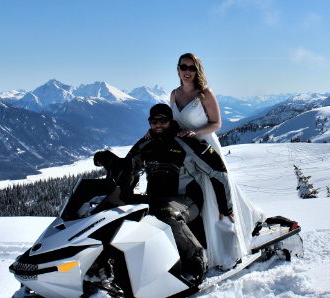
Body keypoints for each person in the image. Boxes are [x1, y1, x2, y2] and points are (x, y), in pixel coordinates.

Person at [96, 104, 235, 281]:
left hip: (187, 200)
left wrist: (226, 206)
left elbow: (218, 172)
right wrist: (108, 160)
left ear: (171, 121)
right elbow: (129, 165)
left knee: (167, 213)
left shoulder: (188, 141)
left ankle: (196, 259)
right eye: (154, 121)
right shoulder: (146, 143)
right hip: (155, 199)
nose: (159, 124)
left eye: (163, 120)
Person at [170, 53, 266, 269]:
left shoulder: (204, 94)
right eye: (183, 67)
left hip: (206, 148)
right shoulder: (174, 94)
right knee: (195, 195)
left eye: (191, 68)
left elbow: (216, 124)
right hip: (186, 151)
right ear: (177, 69)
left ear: (197, 70)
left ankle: (225, 251)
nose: (187, 71)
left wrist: (193, 132)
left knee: (214, 195)